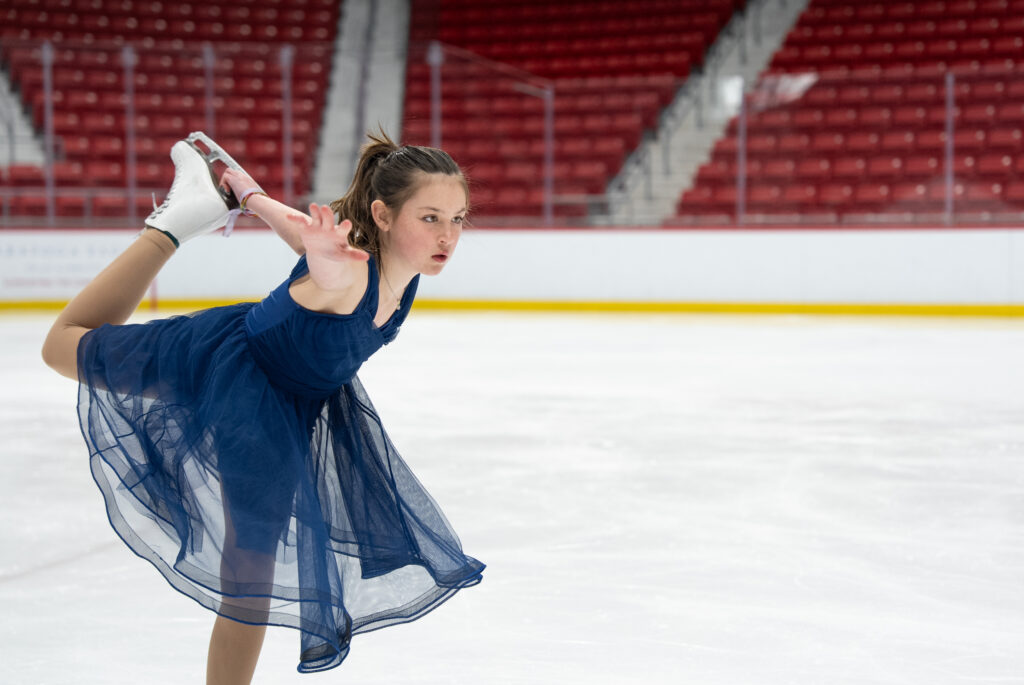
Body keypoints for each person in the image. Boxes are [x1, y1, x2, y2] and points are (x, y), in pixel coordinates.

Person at [41, 131, 484, 683]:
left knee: (247, 571)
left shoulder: (396, 272)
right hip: (234, 371)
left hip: (290, 401)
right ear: (384, 215)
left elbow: (305, 239)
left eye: (459, 219)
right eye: (432, 218)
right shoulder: (350, 272)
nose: (449, 235)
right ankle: (172, 227)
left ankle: (195, 213)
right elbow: (330, 269)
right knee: (60, 346)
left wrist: (251, 198)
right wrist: (322, 260)